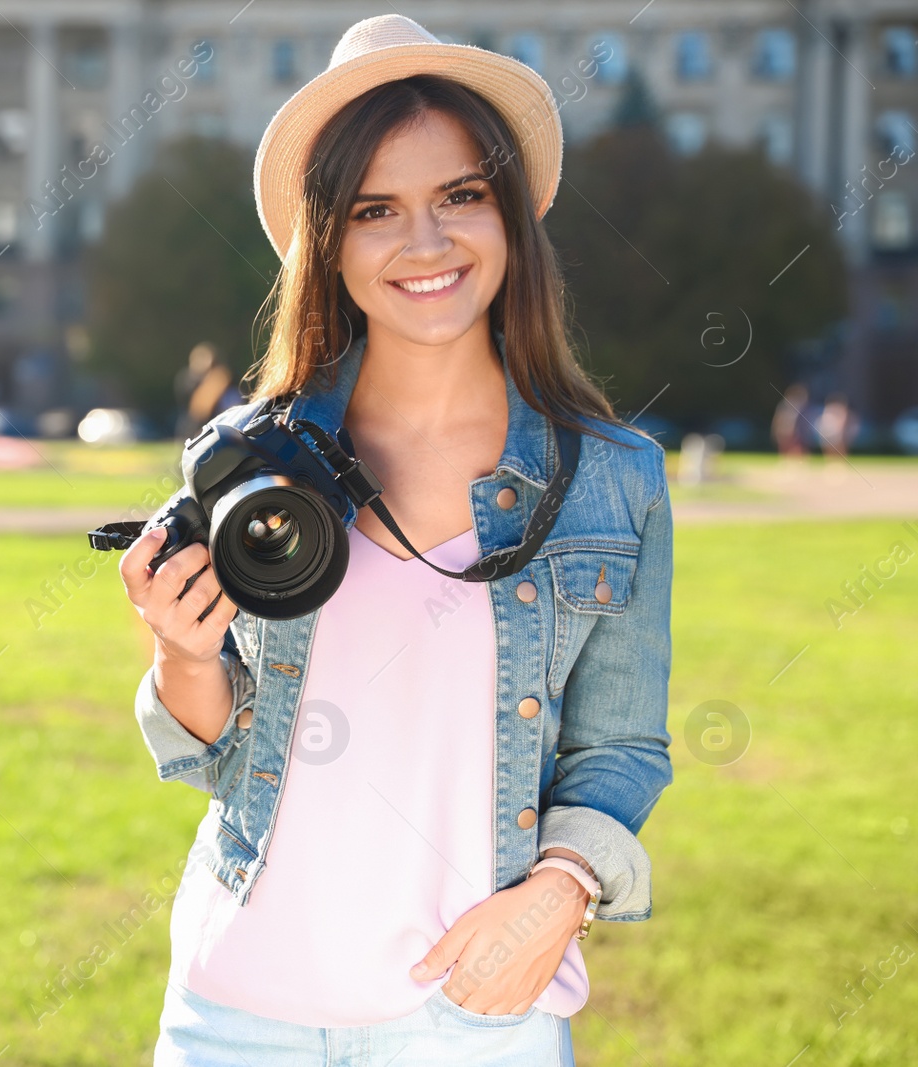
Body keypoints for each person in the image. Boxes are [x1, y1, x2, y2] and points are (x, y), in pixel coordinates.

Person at [117, 15, 673, 1066]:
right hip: (237, 1012)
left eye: (459, 195)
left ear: (509, 215)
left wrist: (560, 891)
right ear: (328, 241)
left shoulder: (614, 478)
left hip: (476, 1017)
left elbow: (620, 748)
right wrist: (179, 652)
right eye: (375, 210)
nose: (425, 244)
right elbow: (222, 752)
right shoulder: (251, 459)